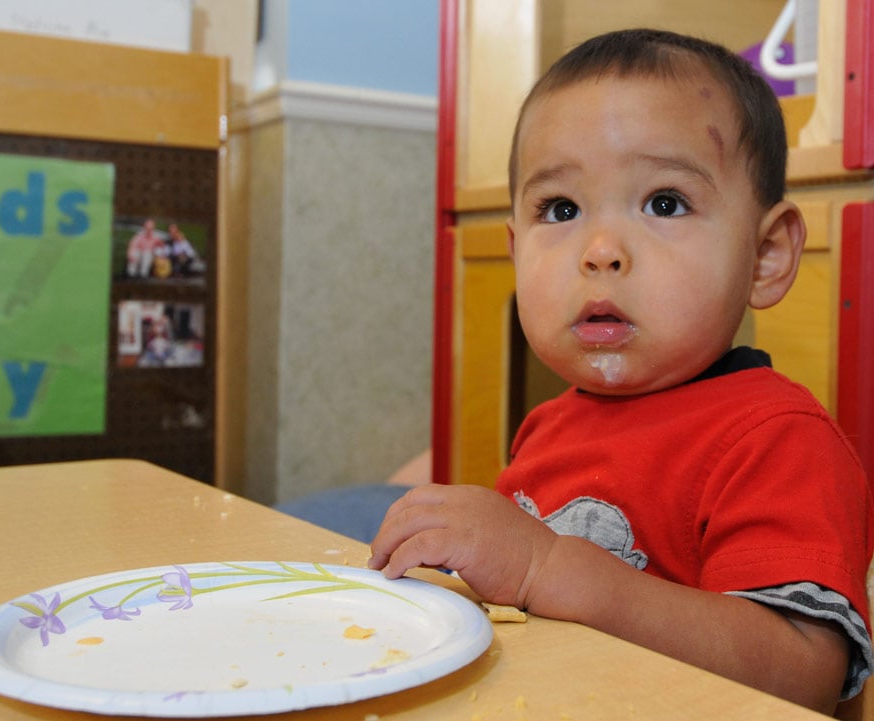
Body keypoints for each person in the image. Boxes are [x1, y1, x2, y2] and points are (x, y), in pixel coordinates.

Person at [368, 29, 874, 713]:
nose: (600, 250)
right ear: (516, 251)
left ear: (765, 256)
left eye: (664, 202)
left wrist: (546, 566)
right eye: (562, 209)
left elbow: (802, 671)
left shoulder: (779, 439)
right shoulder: (548, 425)